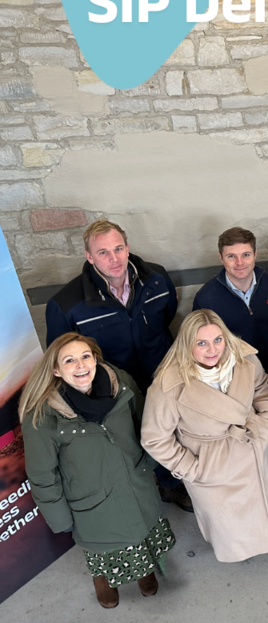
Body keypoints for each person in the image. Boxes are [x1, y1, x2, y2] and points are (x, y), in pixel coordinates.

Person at [44, 219, 190, 513]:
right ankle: (145, 489)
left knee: (172, 429)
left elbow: (167, 316)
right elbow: (62, 355)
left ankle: (171, 482)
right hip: (113, 388)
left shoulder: (157, 279)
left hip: (161, 374)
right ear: (89, 256)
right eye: (103, 253)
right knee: (129, 440)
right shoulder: (66, 305)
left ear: (127, 247)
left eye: (118, 248)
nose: (114, 259)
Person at [20, 333, 175, 608]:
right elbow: (43, 475)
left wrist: (148, 463)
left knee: (141, 530)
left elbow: (145, 424)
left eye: (85, 356)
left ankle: (145, 569)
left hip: (134, 482)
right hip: (91, 498)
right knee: (103, 544)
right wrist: (60, 518)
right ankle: (103, 579)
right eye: (69, 360)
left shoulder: (121, 383)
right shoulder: (42, 415)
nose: (80, 366)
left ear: (95, 359)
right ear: (56, 370)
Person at [141, 310, 268, 563]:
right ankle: (237, 552)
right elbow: (154, 438)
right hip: (211, 465)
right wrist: (193, 468)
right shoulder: (168, 384)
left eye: (218, 340)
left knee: (257, 506)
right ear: (187, 345)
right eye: (201, 343)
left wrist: (267, 422)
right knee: (228, 526)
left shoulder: (245, 357)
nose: (212, 350)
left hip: (252, 446)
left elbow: (261, 387)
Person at [193, 226, 268, 496]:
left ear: (255, 254)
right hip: (236, 379)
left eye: (245, 255)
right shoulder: (207, 297)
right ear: (221, 258)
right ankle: (260, 470)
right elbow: (203, 345)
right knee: (247, 426)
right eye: (231, 256)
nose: (239, 263)